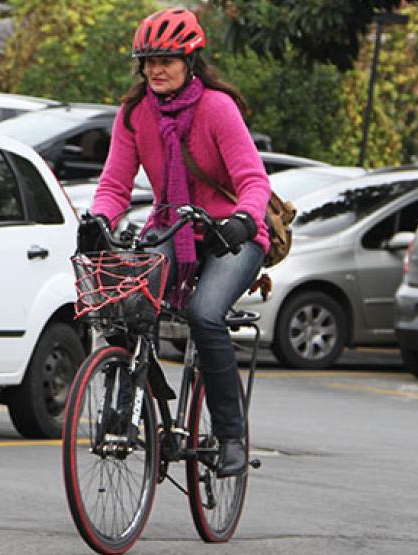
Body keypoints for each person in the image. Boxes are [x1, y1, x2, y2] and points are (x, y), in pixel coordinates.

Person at [78, 7, 271, 478]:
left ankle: (230, 436)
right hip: (172, 227)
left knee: (205, 315)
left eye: (166, 60)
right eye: (148, 61)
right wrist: (99, 218)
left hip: (230, 234)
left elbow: (254, 181)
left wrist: (244, 221)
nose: (155, 70)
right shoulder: (134, 115)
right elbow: (115, 185)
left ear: (190, 61)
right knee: (125, 306)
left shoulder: (217, 108)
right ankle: (126, 408)